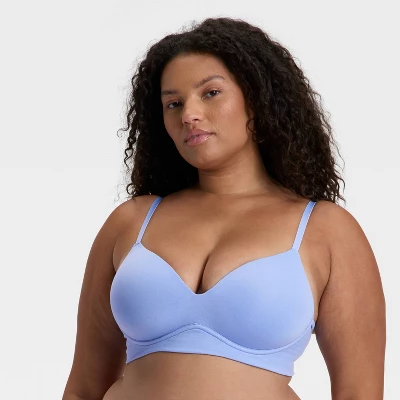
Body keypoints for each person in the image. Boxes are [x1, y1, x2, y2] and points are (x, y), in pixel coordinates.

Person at [62, 17, 386, 400]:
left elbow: (359, 393)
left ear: (257, 98)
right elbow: (83, 388)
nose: (189, 114)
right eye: (173, 103)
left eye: (211, 93)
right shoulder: (131, 222)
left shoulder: (326, 230)